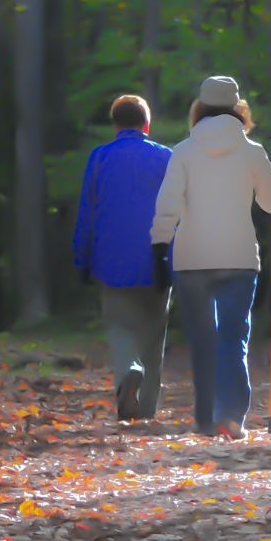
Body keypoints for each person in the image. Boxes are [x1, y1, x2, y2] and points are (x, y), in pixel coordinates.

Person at [149, 75, 271, 439]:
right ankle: (231, 417)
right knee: (233, 337)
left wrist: (160, 244)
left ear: (199, 108)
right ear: (239, 109)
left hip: (191, 258)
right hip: (239, 258)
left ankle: (205, 419)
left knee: (203, 340)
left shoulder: (183, 151)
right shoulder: (252, 152)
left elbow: (168, 204)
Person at [71, 94, 175, 422]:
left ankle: (129, 371)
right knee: (154, 332)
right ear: (147, 124)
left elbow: (87, 213)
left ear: (115, 125)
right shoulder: (166, 158)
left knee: (119, 325)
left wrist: (82, 259)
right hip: (158, 260)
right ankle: (146, 409)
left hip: (111, 260)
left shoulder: (100, 158)